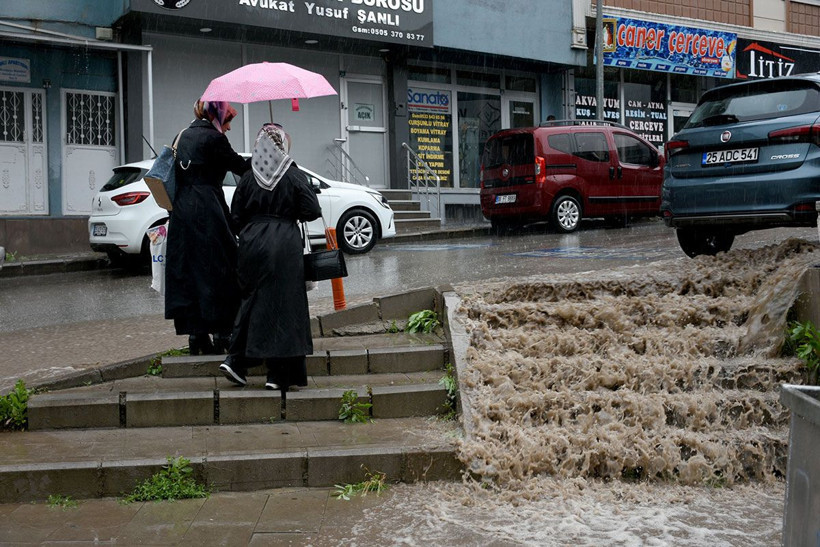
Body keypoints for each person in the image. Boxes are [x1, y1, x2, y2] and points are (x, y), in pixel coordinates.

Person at [219, 123, 322, 391]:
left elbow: (236, 216)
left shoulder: (248, 176)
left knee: (251, 300)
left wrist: (254, 230)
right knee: (284, 306)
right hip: (284, 245)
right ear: (281, 145)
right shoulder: (291, 172)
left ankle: (236, 360)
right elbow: (312, 210)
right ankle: (277, 375)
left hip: (252, 243)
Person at [164, 100, 250, 355]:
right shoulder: (214, 139)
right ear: (217, 116)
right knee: (221, 269)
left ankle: (197, 337)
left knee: (189, 272)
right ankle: (223, 334)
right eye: (228, 120)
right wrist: (270, 156)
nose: (230, 127)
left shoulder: (182, 136)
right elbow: (241, 167)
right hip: (208, 211)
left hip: (181, 213)